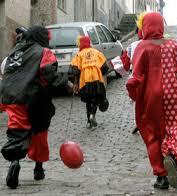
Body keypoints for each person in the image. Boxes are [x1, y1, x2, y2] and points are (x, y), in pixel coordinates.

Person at [126, 12, 177, 189]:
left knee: (152, 135)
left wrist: (133, 93)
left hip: (151, 98)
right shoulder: (173, 45)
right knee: (175, 129)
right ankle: (173, 158)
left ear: (145, 26)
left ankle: (161, 175)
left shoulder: (143, 46)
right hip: (173, 96)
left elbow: (136, 77)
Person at [0, 25, 72, 189]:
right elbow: (49, 73)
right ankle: (38, 169)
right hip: (36, 98)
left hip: (12, 97)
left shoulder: (15, 51)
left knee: (17, 131)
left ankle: (15, 162)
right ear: (43, 38)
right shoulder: (43, 52)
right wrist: (66, 83)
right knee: (39, 133)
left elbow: (4, 70)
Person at [71, 36, 109, 129]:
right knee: (97, 97)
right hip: (97, 78)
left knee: (89, 100)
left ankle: (89, 121)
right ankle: (92, 115)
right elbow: (104, 67)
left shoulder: (79, 55)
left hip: (85, 80)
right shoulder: (96, 52)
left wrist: (75, 84)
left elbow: (75, 70)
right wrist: (103, 76)